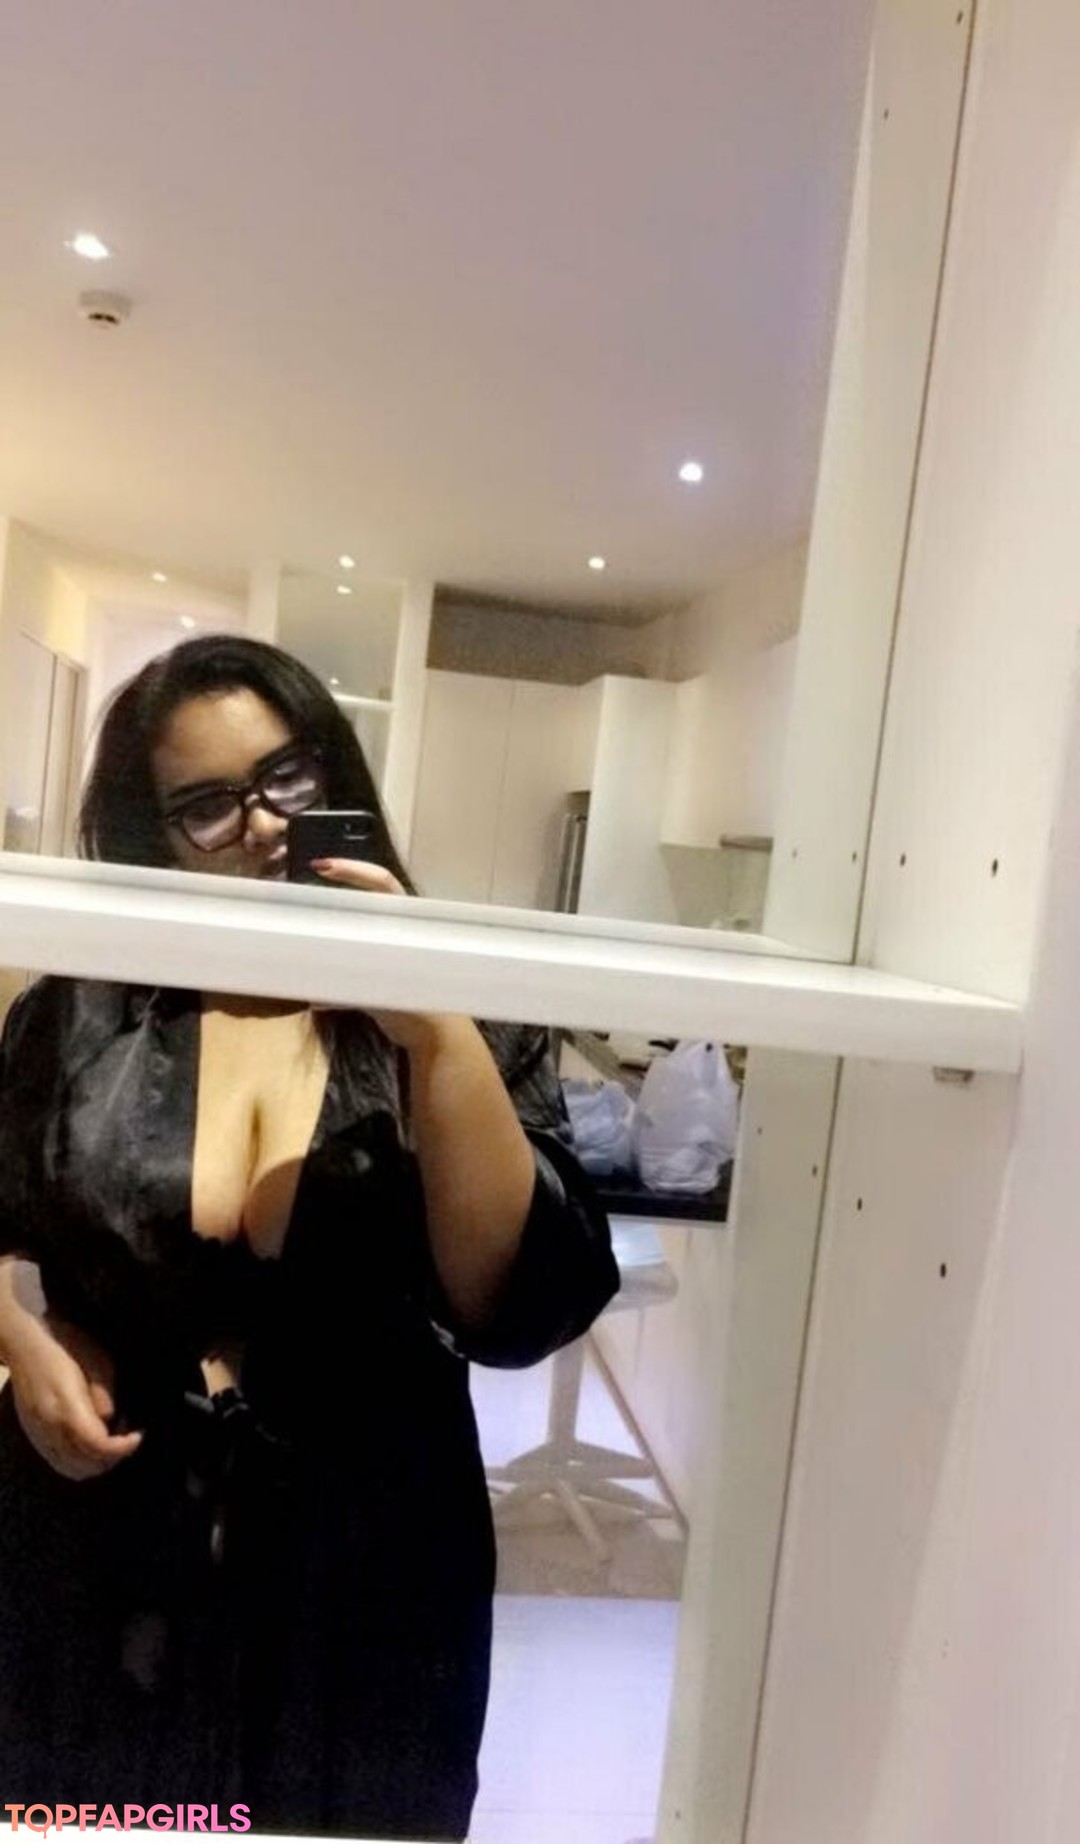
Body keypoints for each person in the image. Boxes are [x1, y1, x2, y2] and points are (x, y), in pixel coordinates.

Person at [0, 634, 618, 1838]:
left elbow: (515, 1302)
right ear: (149, 835)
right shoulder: (76, 1009)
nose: (266, 824)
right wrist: (21, 1338)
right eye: (208, 804)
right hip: (100, 1544)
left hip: (371, 1567)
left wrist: (434, 1032)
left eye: (289, 775)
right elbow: (4, 1215)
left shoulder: (464, 1000)